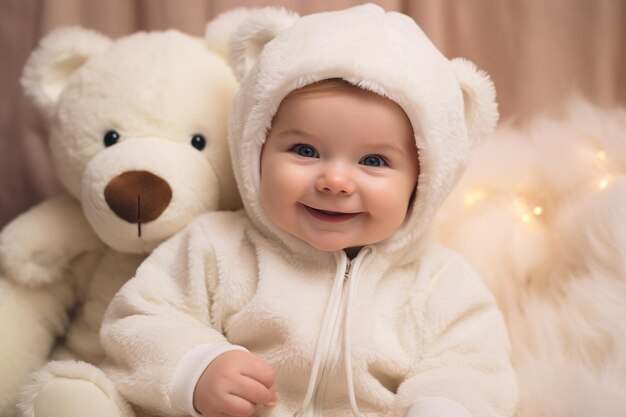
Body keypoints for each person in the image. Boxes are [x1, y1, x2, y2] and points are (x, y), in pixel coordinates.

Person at [101, 5, 518, 417]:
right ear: (255, 149)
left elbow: (473, 366)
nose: (335, 181)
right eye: (305, 150)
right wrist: (195, 368)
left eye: (373, 161)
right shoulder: (215, 245)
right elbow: (139, 317)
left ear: (423, 181)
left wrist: (444, 405)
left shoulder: (441, 282)